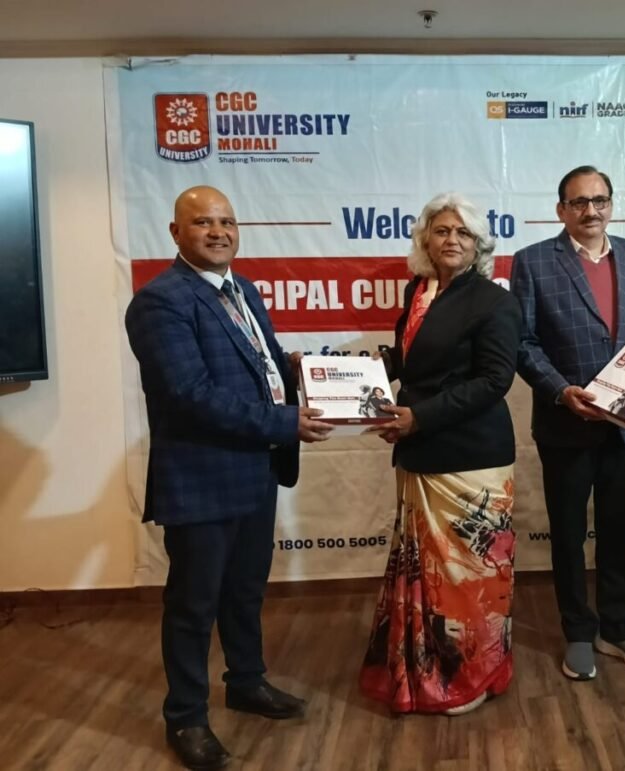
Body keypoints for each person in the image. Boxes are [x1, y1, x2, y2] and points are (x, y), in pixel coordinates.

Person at [124, 186, 334, 770]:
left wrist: (295, 369)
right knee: (193, 604)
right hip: (202, 476)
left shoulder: (242, 290)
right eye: (203, 222)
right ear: (175, 232)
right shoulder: (160, 302)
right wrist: (287, 421)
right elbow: (189, 394)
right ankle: (186, 717)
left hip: (255, 468)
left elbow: (255, 365)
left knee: (245, 592)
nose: (218, 232)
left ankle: (246, 681)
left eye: (227, 222)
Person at [358, 192, 522, 716]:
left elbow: (494, 381)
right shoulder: (420, 291)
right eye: (442, 230)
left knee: (469, 580)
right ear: (425, 239)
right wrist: (347, 377)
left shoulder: (494, 302)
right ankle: (428, 670)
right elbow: (412, 361)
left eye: (463, 232)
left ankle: (471, 676)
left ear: (479, 245)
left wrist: (418, 417)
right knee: (430, 579)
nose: (452, 240)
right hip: (422, 451)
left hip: (472, 460)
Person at [510, 165, 625, 681]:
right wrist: (559, 390)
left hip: (623, 421)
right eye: (578, 202)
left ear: (611, 205)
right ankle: (578, 631)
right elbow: (523, 342)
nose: (590, 211)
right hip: (566, 424)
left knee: (620, 531)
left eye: (599, 200)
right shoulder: (533, 261)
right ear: (561, 210)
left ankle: (616, 627)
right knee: (569, 534)